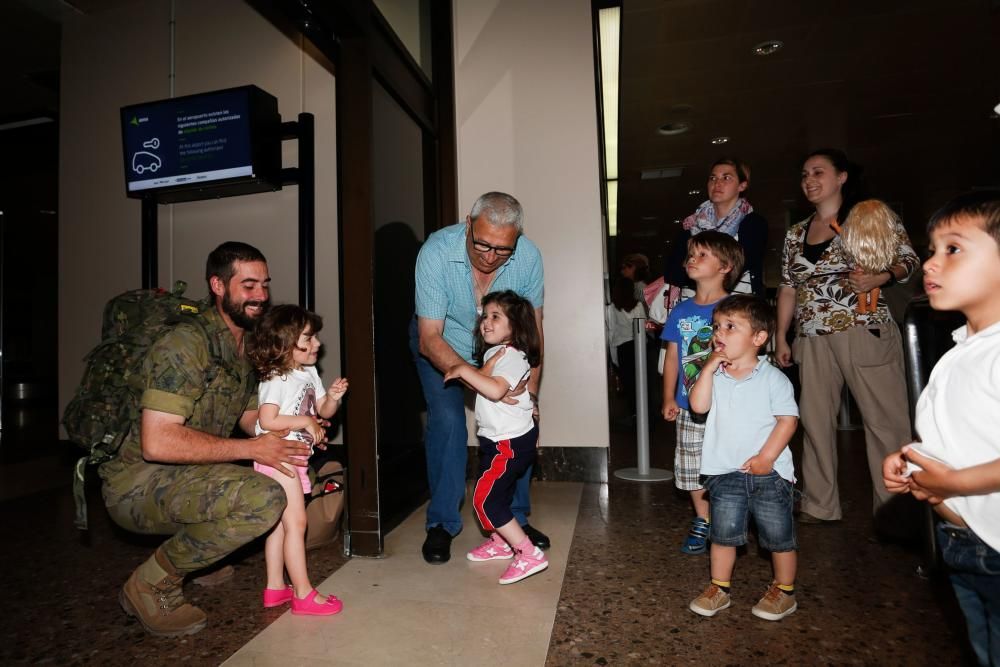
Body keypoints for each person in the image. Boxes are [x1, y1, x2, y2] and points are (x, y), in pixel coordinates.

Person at [99, 242, 312, 637]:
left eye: (264, 284)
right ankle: (150, 583)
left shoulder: (244, 343)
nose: (261, 296)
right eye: (248, 285)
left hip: (188, 470)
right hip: (136, 482)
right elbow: (157, 443)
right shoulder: (185, 344)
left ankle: (203, 551)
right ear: (218, 285)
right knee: (263, 499)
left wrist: (292, 430)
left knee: (274, 470)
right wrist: (253, 448)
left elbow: (251, 416)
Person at [882, 192, 1000, 666]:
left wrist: (952, 483)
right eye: (931, 250)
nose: (931, 263)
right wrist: (914, 456)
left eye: (953, 249)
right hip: (964, 543)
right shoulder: (959, 349)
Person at [774, 148, 918, 524]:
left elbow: (909, 259)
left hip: (863, 325)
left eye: (818, 172)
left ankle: (895, 511)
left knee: (885, 421)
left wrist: (882, 276)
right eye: (804, 174)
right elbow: (789, 287)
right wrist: (781, 336)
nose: (809, 180)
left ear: (841, 177)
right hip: (812, 334)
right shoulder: (795, 234)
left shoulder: (868, 217)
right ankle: (821, 505)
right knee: (815, 420)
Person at [411, 192, 548, 564]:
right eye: (482, 244)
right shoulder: (437, 252)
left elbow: (532, 331)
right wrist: (482, 382)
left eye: (502, 249)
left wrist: (528, 397)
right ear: (468, 225)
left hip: (504, 345)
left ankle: (513, 522)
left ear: (517, 238)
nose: (489, 257)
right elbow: (429, 337)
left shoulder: (529, 257)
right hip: (442, 343)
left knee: (516, 426)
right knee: (450, 423)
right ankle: (441, 523)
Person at [687, 295, 800, 621]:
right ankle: (719, 588)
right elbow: (698, 406)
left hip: (769, 474)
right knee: (722, 534)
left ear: (759, 338)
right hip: (724, 472)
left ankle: (785, 591)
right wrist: (707, 368)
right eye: (716, 326)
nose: (718, 333)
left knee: (778, 537)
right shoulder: (716, 376)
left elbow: (788, 421)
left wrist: (766, 458)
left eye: (730, 326)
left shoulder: (772, 378)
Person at [245, 304, 348, 616]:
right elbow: (268, 419)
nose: (317, 343)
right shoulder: (276, 377)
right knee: (296, 522)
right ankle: (303, 593)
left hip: (296, 458)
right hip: (279, 457)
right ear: (285, 342)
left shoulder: (308, 373)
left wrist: (332, 398)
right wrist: (305, 423)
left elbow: (323, 412)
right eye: (308, 337)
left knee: (278, 525)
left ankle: (276, 588)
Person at [445, 290, 548, 584]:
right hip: (497, 440)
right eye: (484, 316)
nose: (486, 323)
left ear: (515, 325)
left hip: (510, 443)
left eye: (495, 317)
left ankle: (527, 553)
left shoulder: (513, 355)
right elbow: (487, 380)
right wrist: (478, 372)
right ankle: (501, 541)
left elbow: (492, 389)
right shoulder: (497, 353)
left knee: (486, 498)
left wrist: (464, 370)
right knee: (498, 494)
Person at [661, 231, 744, 555]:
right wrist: (669, 396)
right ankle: (703, 519)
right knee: (691, 465)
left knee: (729, 463)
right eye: (691, 254)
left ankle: (731, 518)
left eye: (702, 255)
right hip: (688, 405)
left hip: (727, 407)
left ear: (725, 266)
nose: (692, 260)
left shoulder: (735, 309)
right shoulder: (681, 311)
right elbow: (671, 357)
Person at [664, 157, 767, 298]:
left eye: (726, 178)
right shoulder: (692, 224)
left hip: (737, 307)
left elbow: (740, 266)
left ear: (742, 185)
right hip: (693, 306)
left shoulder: (753, 223)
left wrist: (695, 270)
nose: (717, 183)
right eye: (713, 178)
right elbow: (673, 273)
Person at [606, 277, 646, 414]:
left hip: (622, 348)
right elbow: (643, 326)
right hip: (638, 346)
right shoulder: (638, 305)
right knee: (641, 384)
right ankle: (642, 416)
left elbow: (611, 331)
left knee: (629, 385)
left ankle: (633, 414)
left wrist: (612, 355)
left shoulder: (612, 308)